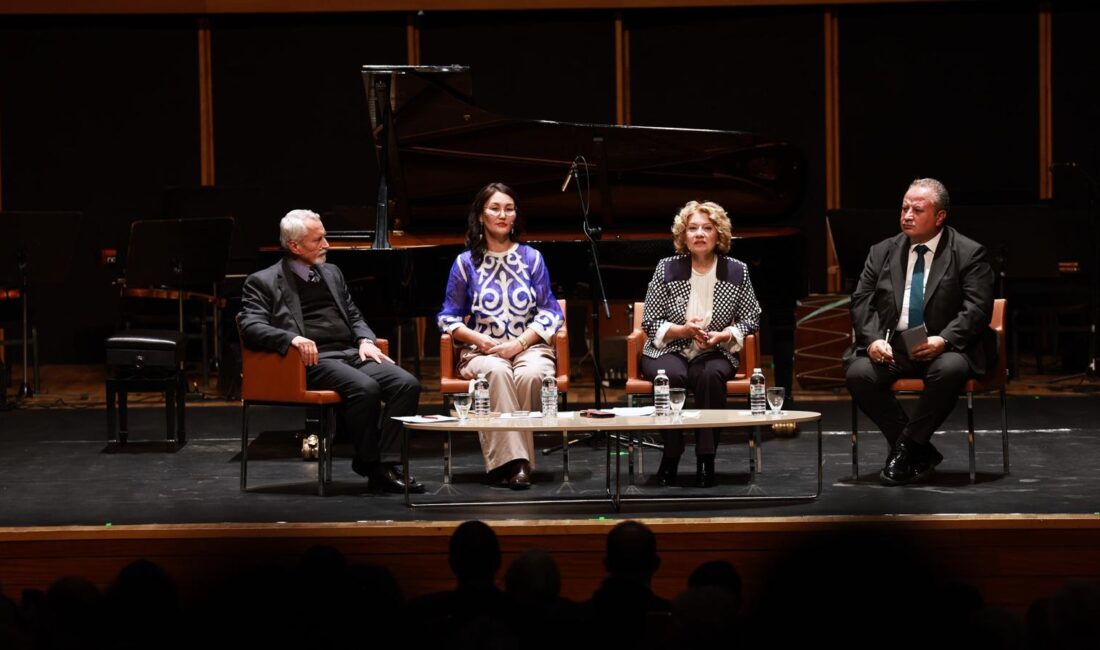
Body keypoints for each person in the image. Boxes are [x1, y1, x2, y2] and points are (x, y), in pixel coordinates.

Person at [239, 209, 424, 494]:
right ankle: (372, 465)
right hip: (311, 360)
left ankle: (387, 464)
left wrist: (365, 340)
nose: (326, 244)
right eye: (318, 240)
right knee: (365, 389)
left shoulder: (332, 273)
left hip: (349, 353)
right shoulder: (262, 281)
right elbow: (250, 326)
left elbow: (354, 314)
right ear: (294, 246)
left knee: (406, 384)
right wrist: (293, 339)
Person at [844, 178, 996, 486]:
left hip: (945, 347)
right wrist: (873, 340)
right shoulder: (882, 251)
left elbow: (978, 308)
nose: (907, 215)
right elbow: (861, 301)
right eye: (904, 208)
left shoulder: (968, 252)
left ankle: (906, 449)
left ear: (940, 216)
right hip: (895, 346)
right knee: (859, 373)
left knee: (950, 370)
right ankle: (918, 450)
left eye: (917, 209)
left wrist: (945, 339)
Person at [437, 182, 565, 490]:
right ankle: (518, 464)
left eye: (509, 209)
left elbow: (550, 312)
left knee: (532, 374)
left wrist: (519, 344)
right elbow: (447, 317)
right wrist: (479, 340)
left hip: (528, 347)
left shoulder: (532, 258)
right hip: (483, 350)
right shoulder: (465, 263)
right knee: (496, 371)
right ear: (481, 216)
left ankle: (506, 462)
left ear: (515, 215)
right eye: (495, 208)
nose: (502, 215)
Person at [640, 200, 761, 488]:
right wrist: (682, 330)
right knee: (670, 376)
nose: (699, 234)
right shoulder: (667, 267)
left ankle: (706, 457)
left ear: (719, 234)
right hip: (668, 348)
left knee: (708, 376)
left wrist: (724, 335)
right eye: (692, 228)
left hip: (715, 349)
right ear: (683, 235)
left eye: (707, 228)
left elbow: (752, 317)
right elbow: (650, 321)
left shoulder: (737, 270)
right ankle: (671, 453)